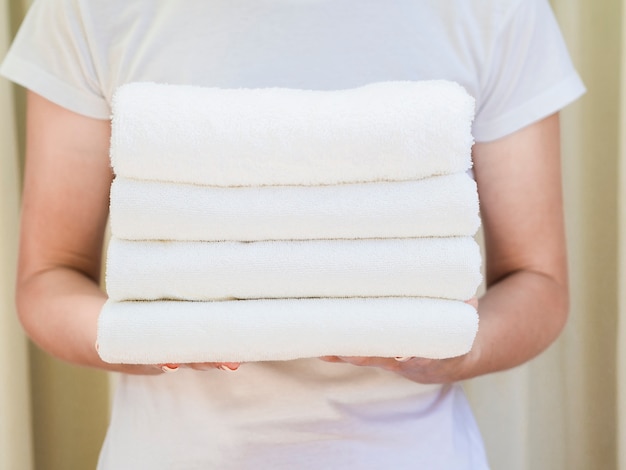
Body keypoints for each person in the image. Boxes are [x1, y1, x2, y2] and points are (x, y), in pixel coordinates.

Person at [1, 0, 584, 468]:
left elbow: (539, 281)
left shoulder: (498, 10)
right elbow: (47, 276)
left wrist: (453, 347)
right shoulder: (87, 8)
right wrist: (149, 338)